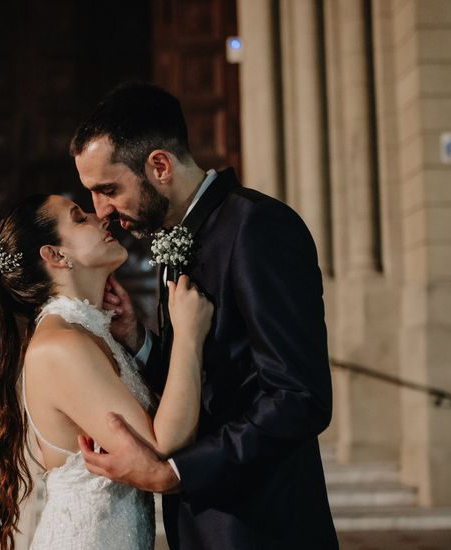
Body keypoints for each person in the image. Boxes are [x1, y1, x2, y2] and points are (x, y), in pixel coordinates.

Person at [70, 82, 339, 549]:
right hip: (201, 525)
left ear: (159, 165)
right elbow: (204, 381)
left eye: (108, 189)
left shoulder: (258, 227)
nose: (102, 213)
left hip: (261, 525)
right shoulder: (176, 235)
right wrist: (140, 339)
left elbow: (299, 396)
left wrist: (175, 472)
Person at [0, 193, 213, 550]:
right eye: (79, 217)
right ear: (56, 255)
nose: (100, 217)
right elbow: (161, 446)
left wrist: (136, 335)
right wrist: (188, 336)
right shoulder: (61, 346)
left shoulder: (89, 333)